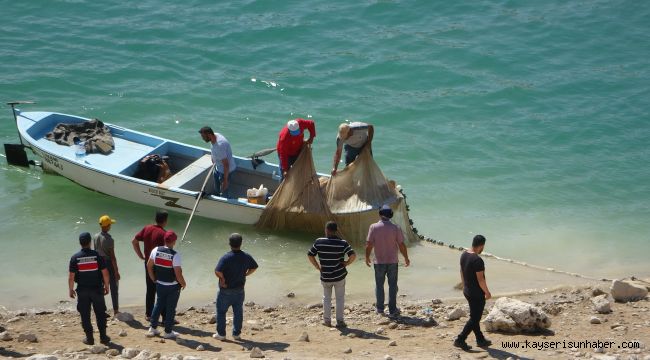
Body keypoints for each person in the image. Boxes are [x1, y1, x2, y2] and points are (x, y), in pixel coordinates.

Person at [307, 221, 356, 328]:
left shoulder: (319, 241)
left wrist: (317, 267)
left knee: (326, 298)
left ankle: (327, 321)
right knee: (340, 298)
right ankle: (340, 321)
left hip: (325, 276)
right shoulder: (342, 242)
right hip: (339, 276)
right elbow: (353, 255)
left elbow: (310, 255)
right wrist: (346, 263)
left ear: (326, 230)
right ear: (336, 231)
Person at [365, 204, 410, 317]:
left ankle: (380, 309)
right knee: (393, 285)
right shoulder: (396, 228)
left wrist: (367, 257)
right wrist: (406, 257)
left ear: (380, 215)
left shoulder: (373, 227)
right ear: (391, 215)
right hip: (393, 261)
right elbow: (401, 245)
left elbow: (369, 244)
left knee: (379, 285)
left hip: (379, 262)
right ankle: (392, 309)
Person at [213, 233, 258, 341]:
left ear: (229, 244)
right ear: (241, 243)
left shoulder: (226, 257)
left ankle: (221, 334)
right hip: (239, 290)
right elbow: (254, 267)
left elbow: (217, 271)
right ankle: (236, 334)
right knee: (238, 312)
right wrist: (246, 274)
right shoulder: (246, 256)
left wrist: (222, 279)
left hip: (225, 290)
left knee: (221, 312)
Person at [68, 232, 111, 345]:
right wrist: (107, 286)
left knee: (85, 314)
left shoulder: (75, 258)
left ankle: (89, 338)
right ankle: (103, 337)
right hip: (97, 289)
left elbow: (71, 277)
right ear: (90, 242)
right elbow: (105, 273)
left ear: (80, 243)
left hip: (82, 291)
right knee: (100, 313)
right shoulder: (97, 256)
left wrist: (71, 289)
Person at [453, 235, 492, 351]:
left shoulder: (464, 254)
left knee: (474, 316)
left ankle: (480, 339)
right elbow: (481, 280)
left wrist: (464, 285)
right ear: (481, 246)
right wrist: (487, 292)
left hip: (467, 291)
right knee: (475, 318)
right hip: (476, 294)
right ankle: (460, 339)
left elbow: (461, 271)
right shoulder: (477, 260)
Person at [146, 230, 186, 339]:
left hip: (159, 283)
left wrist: (153, 278)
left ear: (164, 239)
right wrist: (183, 283)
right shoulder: (175, 255)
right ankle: (168, 332)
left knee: (158, 305)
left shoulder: (155, 250)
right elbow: (178, 273)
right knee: (171, 308)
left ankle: (152, 328)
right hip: (172, 286)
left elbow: (149, 265)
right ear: (174, 242)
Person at [131, 210, 168, 321]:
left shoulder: (146, 228)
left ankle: (149, 314)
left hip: (148, 264)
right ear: (165, 221)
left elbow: (134, 241)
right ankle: (165, 317)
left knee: (150, 289)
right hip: (159, 266)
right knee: (162, 291)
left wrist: (140, 255)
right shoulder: (164, 234)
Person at [199, 126, 237, 198]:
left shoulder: (219, 146)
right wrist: (213, 159)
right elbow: (214, 148)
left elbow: (226, 165)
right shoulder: (215, 135)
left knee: (223, 192)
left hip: (225, 171)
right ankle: (218, 196)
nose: (202, 138)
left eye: (203, 136)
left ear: (209, 135)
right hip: (217, 167)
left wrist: (225, 181)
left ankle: (223, 202)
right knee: (217, 189)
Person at [93, 215, 120, 316]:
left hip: (98, 263)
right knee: (114, 286)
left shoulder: (95, 237)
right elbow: (112, 257)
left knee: (100, 286)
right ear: (108, 226)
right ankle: (116, 310)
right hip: (108, 263)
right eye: (110, 225)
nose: (110, 226)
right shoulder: (109, 239)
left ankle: (102, 310)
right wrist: (116, 271)